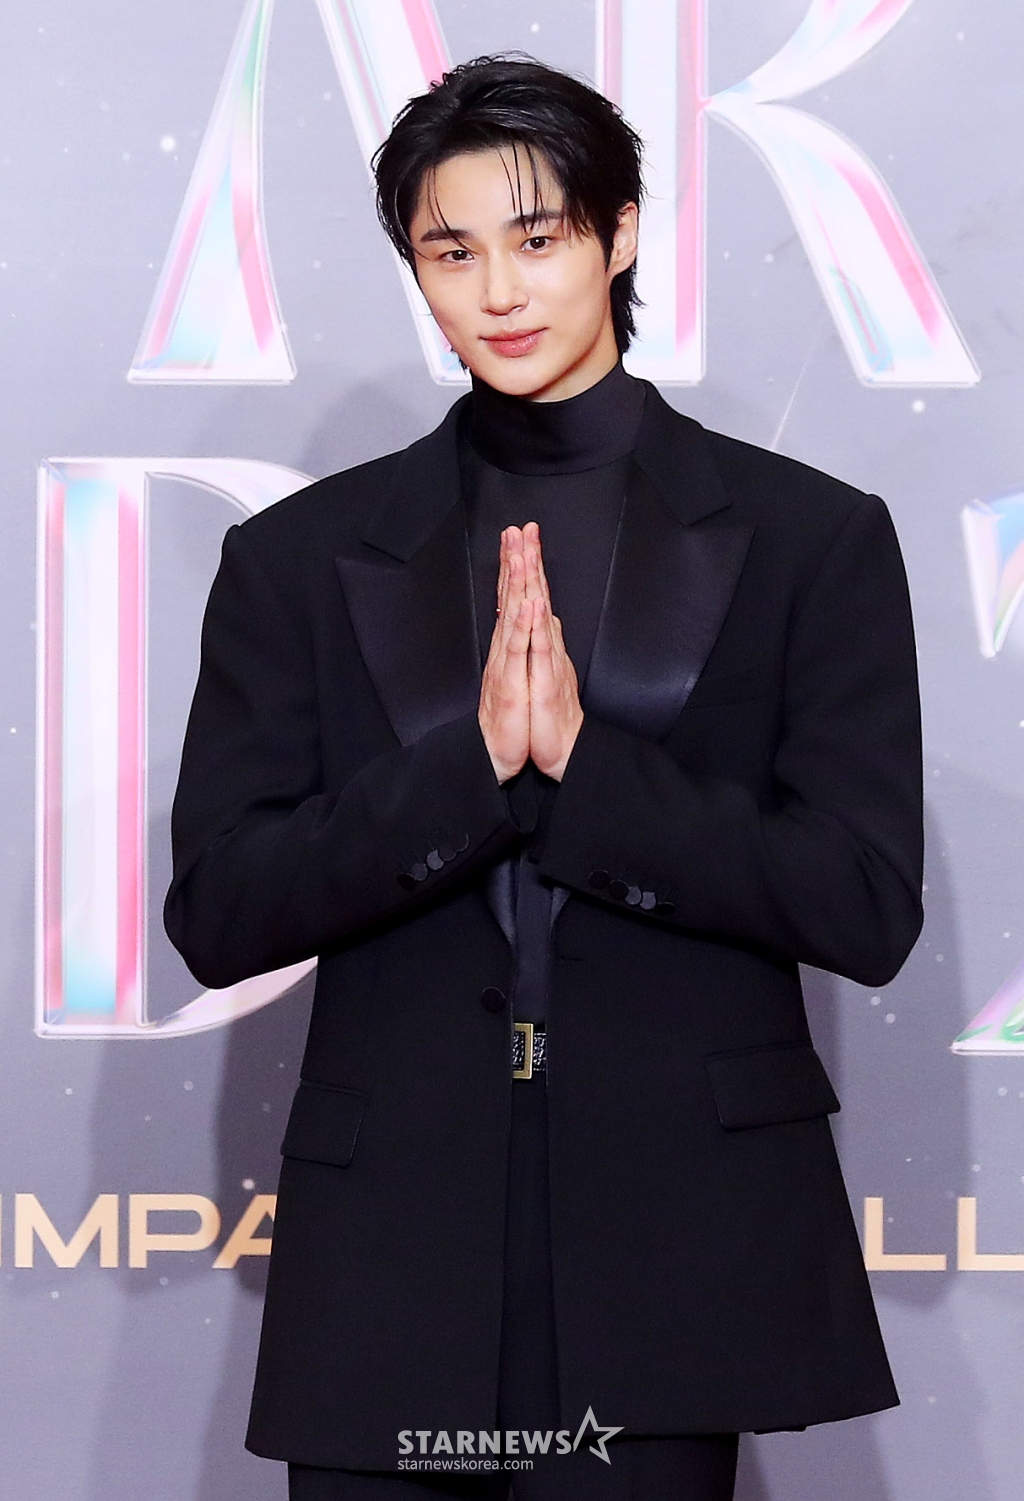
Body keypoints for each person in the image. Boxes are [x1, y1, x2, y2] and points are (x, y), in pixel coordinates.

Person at [164, 54, 924, 1501]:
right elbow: (221, 909)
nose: (500, 291)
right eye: (452, 252)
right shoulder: (300, 558)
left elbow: (865, 901)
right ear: (415, 268)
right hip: (393, 1243)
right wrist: (468, 770)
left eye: (539, 237)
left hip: (674, 1233)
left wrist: (588, 769)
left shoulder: (807, 538)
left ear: (619, 232)